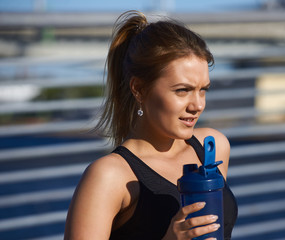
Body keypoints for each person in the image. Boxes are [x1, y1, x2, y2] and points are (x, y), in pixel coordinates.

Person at [64, 10, 238, 240]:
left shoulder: (213, 147)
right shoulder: (109, 176)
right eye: (182, 90)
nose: (197, 105)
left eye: (203, 90)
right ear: (139, 89)